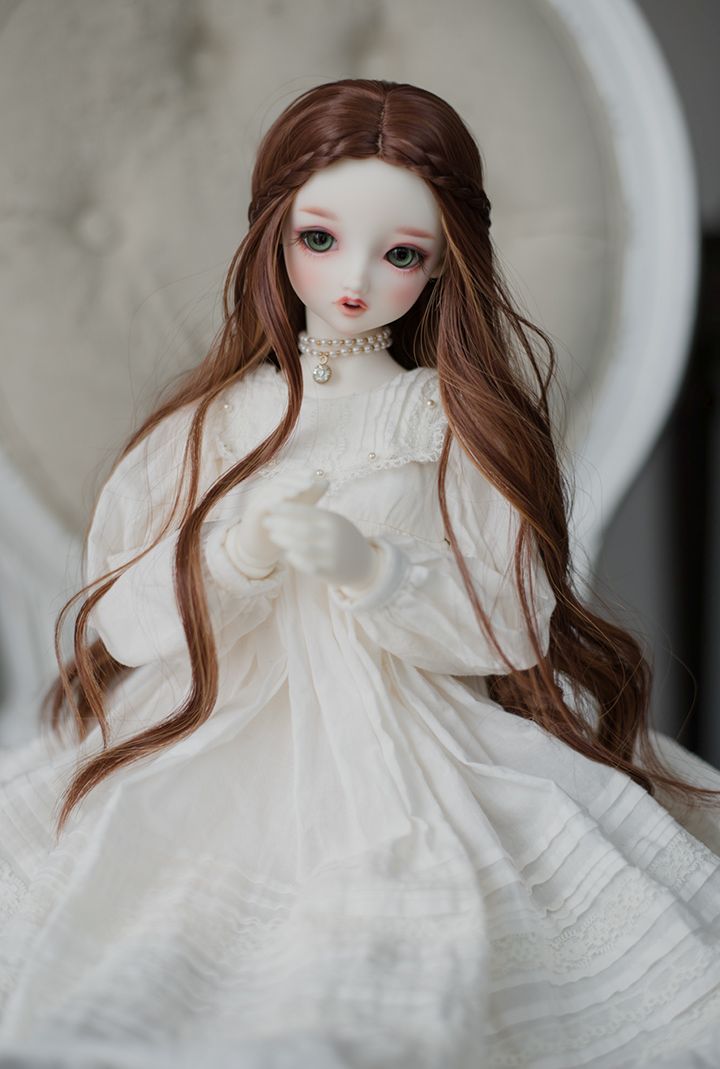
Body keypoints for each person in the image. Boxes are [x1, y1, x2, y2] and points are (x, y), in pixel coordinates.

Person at [1, 78, 719, 1068]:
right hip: (212, 726)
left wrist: (377, 571)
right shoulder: (213, 423)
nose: (355, 278)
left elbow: (509, 623)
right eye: (321, 239)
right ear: (274, 234)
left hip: (413, 735)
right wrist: (232, 560)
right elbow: (126, 619)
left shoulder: (445, 424)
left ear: (444, 262)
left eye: (401, 254)